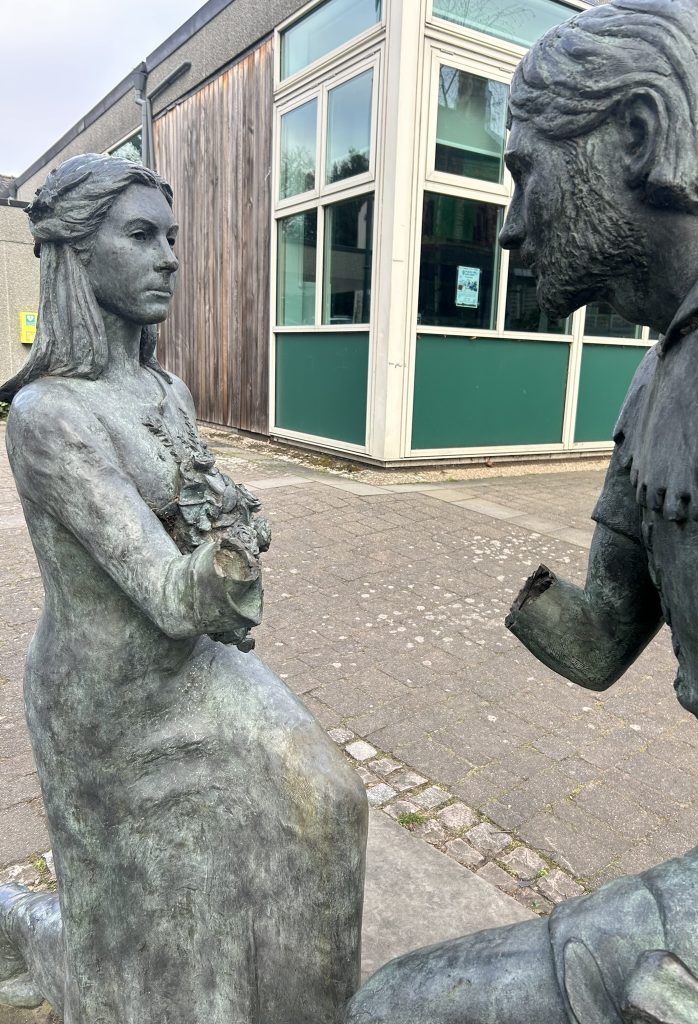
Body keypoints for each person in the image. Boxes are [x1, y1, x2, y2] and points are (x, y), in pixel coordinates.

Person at [346, 0, 698, 1021]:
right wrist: (480, 592)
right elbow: (602, 641)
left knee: (400, 1009)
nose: (511, 223)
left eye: (526, 171)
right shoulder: (652, 381)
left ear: (636, 132)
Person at [0, 154, 367, 1024]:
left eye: (172, 238)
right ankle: (16, 924)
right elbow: (168, 591)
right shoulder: (48, 415)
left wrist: (229, 520)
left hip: (192, 666)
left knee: (330, 800)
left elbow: (196, 517)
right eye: (140, 237)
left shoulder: (167, 388)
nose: (169, 258)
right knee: (145, 946)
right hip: (110, 703)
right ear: (77, 257)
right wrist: (231, 557)